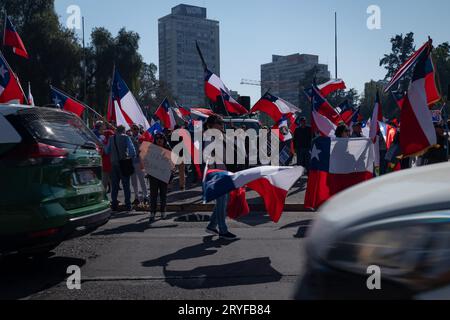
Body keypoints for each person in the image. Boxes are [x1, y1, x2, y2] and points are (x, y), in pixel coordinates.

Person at [204, 115, 238, 241]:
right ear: (212, 124)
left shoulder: (220, 136)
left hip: (224, 171)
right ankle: (223, 230)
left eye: (222, 122)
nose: (222, 124)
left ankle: (212, 226)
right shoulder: (209, 137)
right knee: (222, 202)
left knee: (224, 201)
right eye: (219, 122)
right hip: (217, 173)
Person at [105, 125, 136, 212]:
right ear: (123, 130)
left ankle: (114, 204)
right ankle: (128, 205)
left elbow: (107, 151)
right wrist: (130, 159)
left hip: (113, 164)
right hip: (123, 163)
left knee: (114, 185)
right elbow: (132, 151)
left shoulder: (111, 138)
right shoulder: (126, 137)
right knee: (126, 185)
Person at [149, 133, 172, 222]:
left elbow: (171, 164)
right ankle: (152, 213)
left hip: (164, 175)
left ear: (164, 140)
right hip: (153, 176)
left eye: (161, 138)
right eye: (157, 138)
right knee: (153, 196)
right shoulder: (151, 149)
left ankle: (163, 212)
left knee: (163, 195)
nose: (159, 140)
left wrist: (170, 178)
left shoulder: (168, 149)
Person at [130, 124, 149, 205]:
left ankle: (146, 196)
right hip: (131, 161)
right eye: (133, 129)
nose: (135, 130)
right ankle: (136, 197)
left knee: (142, 180)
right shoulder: (130, 138)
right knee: (133, 181)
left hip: (139, 161)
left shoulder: (141, 137)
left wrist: (138, 143)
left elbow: (144, 149)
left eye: (136, 128)